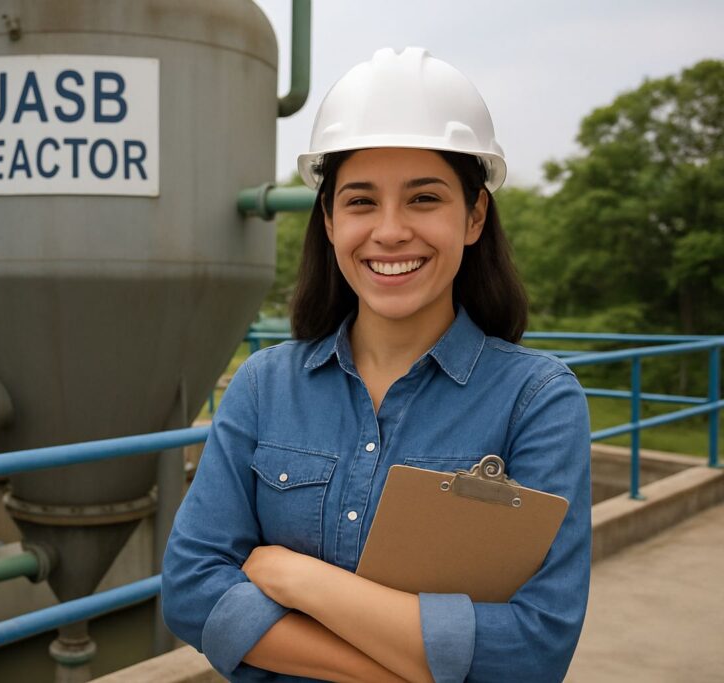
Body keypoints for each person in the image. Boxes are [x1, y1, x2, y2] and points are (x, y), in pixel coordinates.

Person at [161, 47, 591, 683]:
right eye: (361, 201)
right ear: (330, 220)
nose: (389, 232)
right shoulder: (264, 387)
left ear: (473, 216)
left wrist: (296, 577)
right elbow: (194, 592)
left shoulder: (536, 401)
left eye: (424, 199)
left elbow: (533, 647)